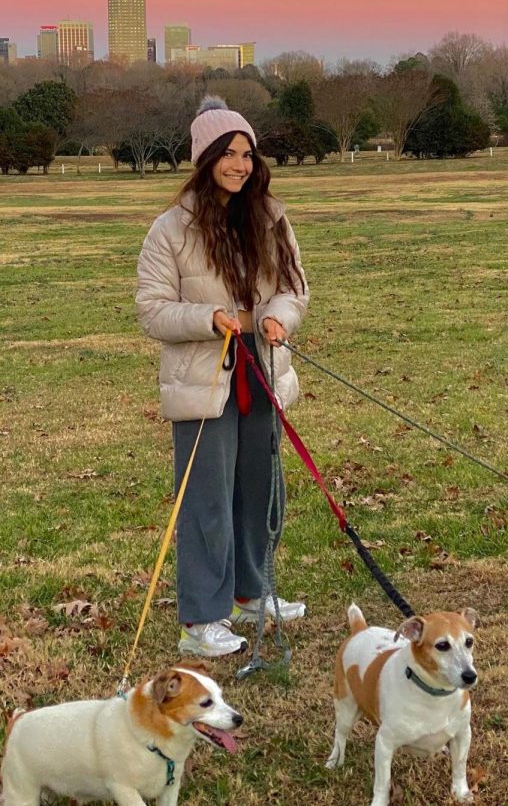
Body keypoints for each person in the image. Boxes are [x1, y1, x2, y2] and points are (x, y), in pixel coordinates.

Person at [136, 96, 309, 657]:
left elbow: (293, 287)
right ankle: (202, 620)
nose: (240, 164)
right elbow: (152, 309)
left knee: (262, 492)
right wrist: (207, 319)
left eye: (247, 153)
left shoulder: (270, 216)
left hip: (263, 372)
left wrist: (278, 317)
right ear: (205, 158)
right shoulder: (171, 229)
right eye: (228, 153)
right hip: (204, 384)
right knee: (208, 502)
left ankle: (253, 592)